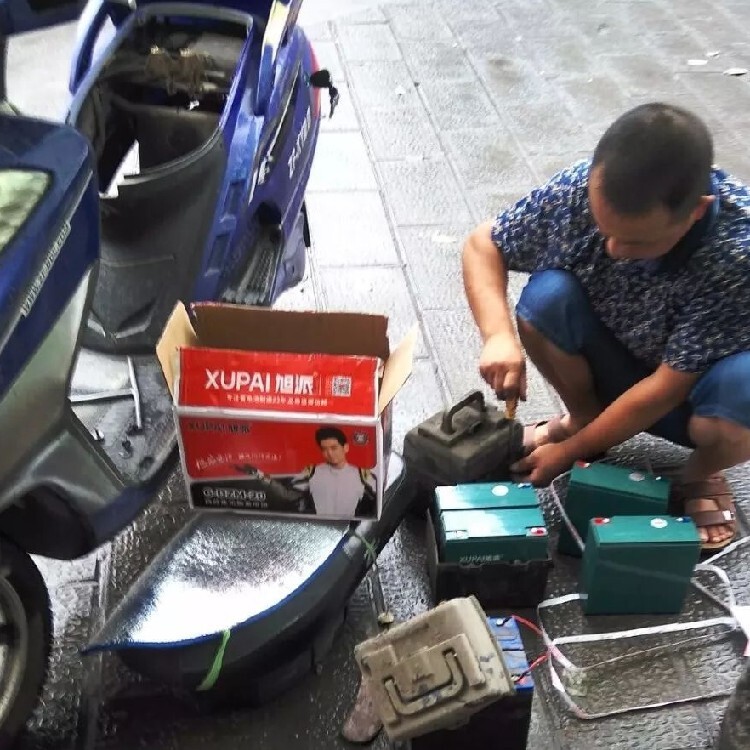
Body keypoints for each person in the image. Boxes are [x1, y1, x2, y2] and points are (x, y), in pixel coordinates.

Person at [462, 102, 750, 551]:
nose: (613, 249)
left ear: (696, 211)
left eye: (636, 241)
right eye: (603, 229)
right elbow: (484, 245)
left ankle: (700, 472)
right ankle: (584, 420)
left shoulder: (735, 253)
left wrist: (566, 454)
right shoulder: (579, 189)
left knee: (742, 389)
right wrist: (498, 336)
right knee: (545, 300)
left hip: (696, 398)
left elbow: (664, 390)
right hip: (620, 354)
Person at [291, 426, 377, 518]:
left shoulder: (362, 475)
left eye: (334, 448)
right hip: (318, 524)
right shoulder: (312, 472)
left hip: (349, 524)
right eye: (324, 449)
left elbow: (376, 503)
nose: (329, 453)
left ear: (346, 448)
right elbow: (291, 496)